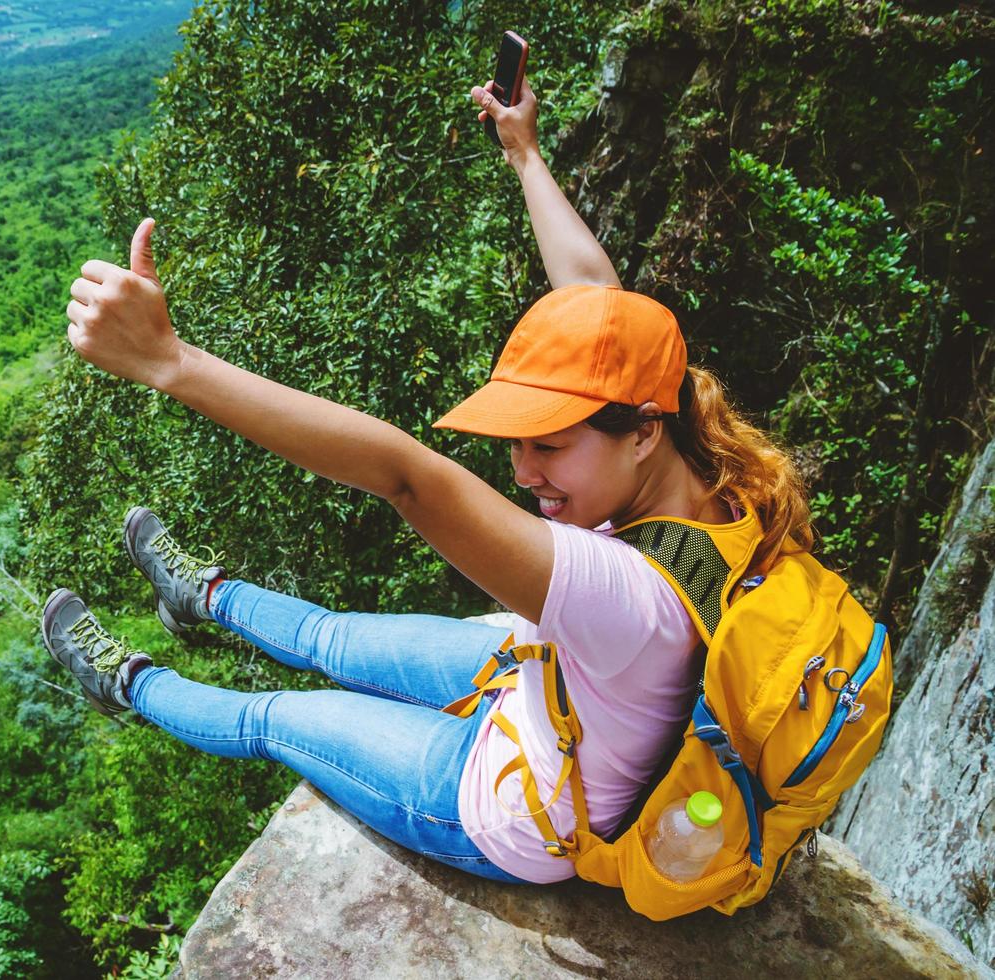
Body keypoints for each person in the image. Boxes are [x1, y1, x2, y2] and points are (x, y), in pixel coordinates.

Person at [44, 75, 813, 884]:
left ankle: (125, 679)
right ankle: (201, 596)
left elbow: (406, 477)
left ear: (641, 433)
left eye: (546, 446)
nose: (524, 473)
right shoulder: (708, 467)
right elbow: (598, 300)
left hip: (510, 809)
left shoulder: (621, 592)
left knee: (276, 715)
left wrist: (172, 363)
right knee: (328, 636)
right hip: (541, 688)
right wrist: (524, 152)